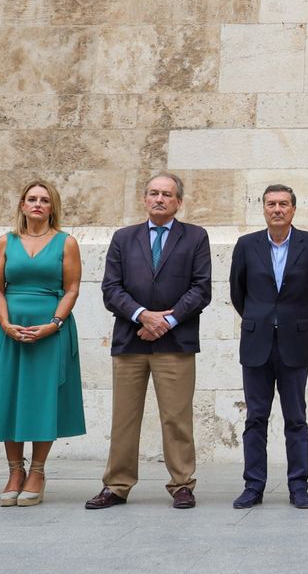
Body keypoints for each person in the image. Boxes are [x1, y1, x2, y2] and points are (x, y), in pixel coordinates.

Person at [86, 173, 212, 511]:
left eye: (167, 195)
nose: (160, 199)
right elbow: (111, 289)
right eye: (154, 193)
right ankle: (117, 485)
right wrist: (143, 315)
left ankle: (182, 484)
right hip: (131, 340)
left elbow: (201, 289)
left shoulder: (196, 237)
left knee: (177, 418)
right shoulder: (124, 238)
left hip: (176, 342)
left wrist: (166, 321)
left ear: (178, 202)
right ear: (144, 199)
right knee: (124, 418)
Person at [0, 179, 84, 507]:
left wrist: (54, 324)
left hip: (50, 328)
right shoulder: (6, 241)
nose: (37, 204)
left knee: (42, 397)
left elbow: (73, 287)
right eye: (31, 199)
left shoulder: (67, 242)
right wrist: (4, 322)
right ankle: (14, 471)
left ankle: (38, 471)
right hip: (10, 328)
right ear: (22, 204)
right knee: (10, 396)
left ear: (52, 207)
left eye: (44, 200)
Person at [230, 184, 308, 510]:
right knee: (255, 418)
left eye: (283, 204)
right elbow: (238, 291)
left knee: (296, 418)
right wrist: (261, 319)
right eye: (271, 204)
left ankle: (298, 487)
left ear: (293, 209)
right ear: (263, 208)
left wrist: (295, 320)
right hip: (256, 342)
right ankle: (253, 486)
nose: (277, 209)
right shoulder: (246, 245)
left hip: (294, 341)